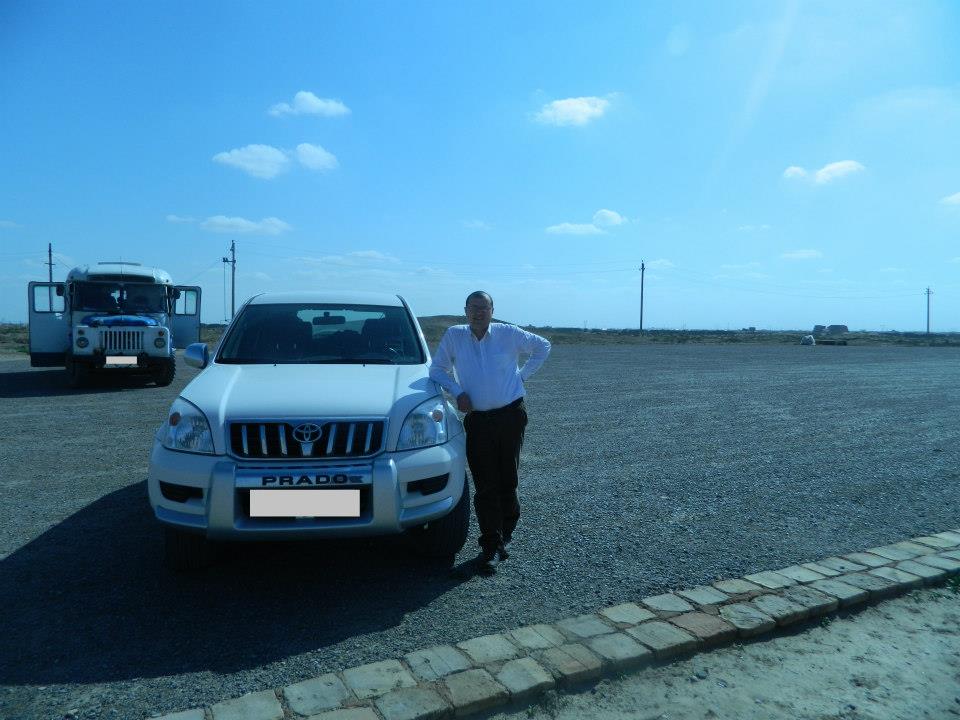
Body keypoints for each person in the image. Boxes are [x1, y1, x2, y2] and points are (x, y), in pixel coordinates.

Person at [429, 291, 551, 573]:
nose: (478, 312)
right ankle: (491, 545)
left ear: (492, 310)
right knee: (485, 484)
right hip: (478, 420)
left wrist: (521, 376)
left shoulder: (508, 333)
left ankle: (506, 531)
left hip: (511, 416)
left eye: (483, 307)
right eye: (473, 307)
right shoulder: (455, 336)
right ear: (465, 310)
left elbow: (543, 346)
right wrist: (457, 391)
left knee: (508, 479)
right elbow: (437, 370)